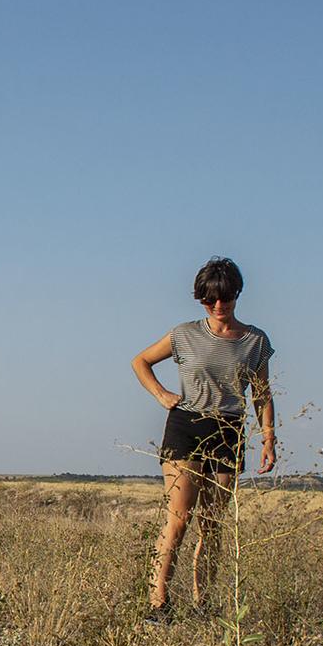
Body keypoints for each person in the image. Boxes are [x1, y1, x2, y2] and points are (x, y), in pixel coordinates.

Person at [129, 256, 276, 623]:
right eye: (209, 300)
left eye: (223, 298)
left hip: (228, 429)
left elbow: (261, 392)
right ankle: (158, 605)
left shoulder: (256, 341)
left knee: (213, 525)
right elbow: (141, 361)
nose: (217, 306)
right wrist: (163, 396)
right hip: (186, 425)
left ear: (236, 294)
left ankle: (203, 606)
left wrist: (269, 438)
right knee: (179, 519)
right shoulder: (184, 334)